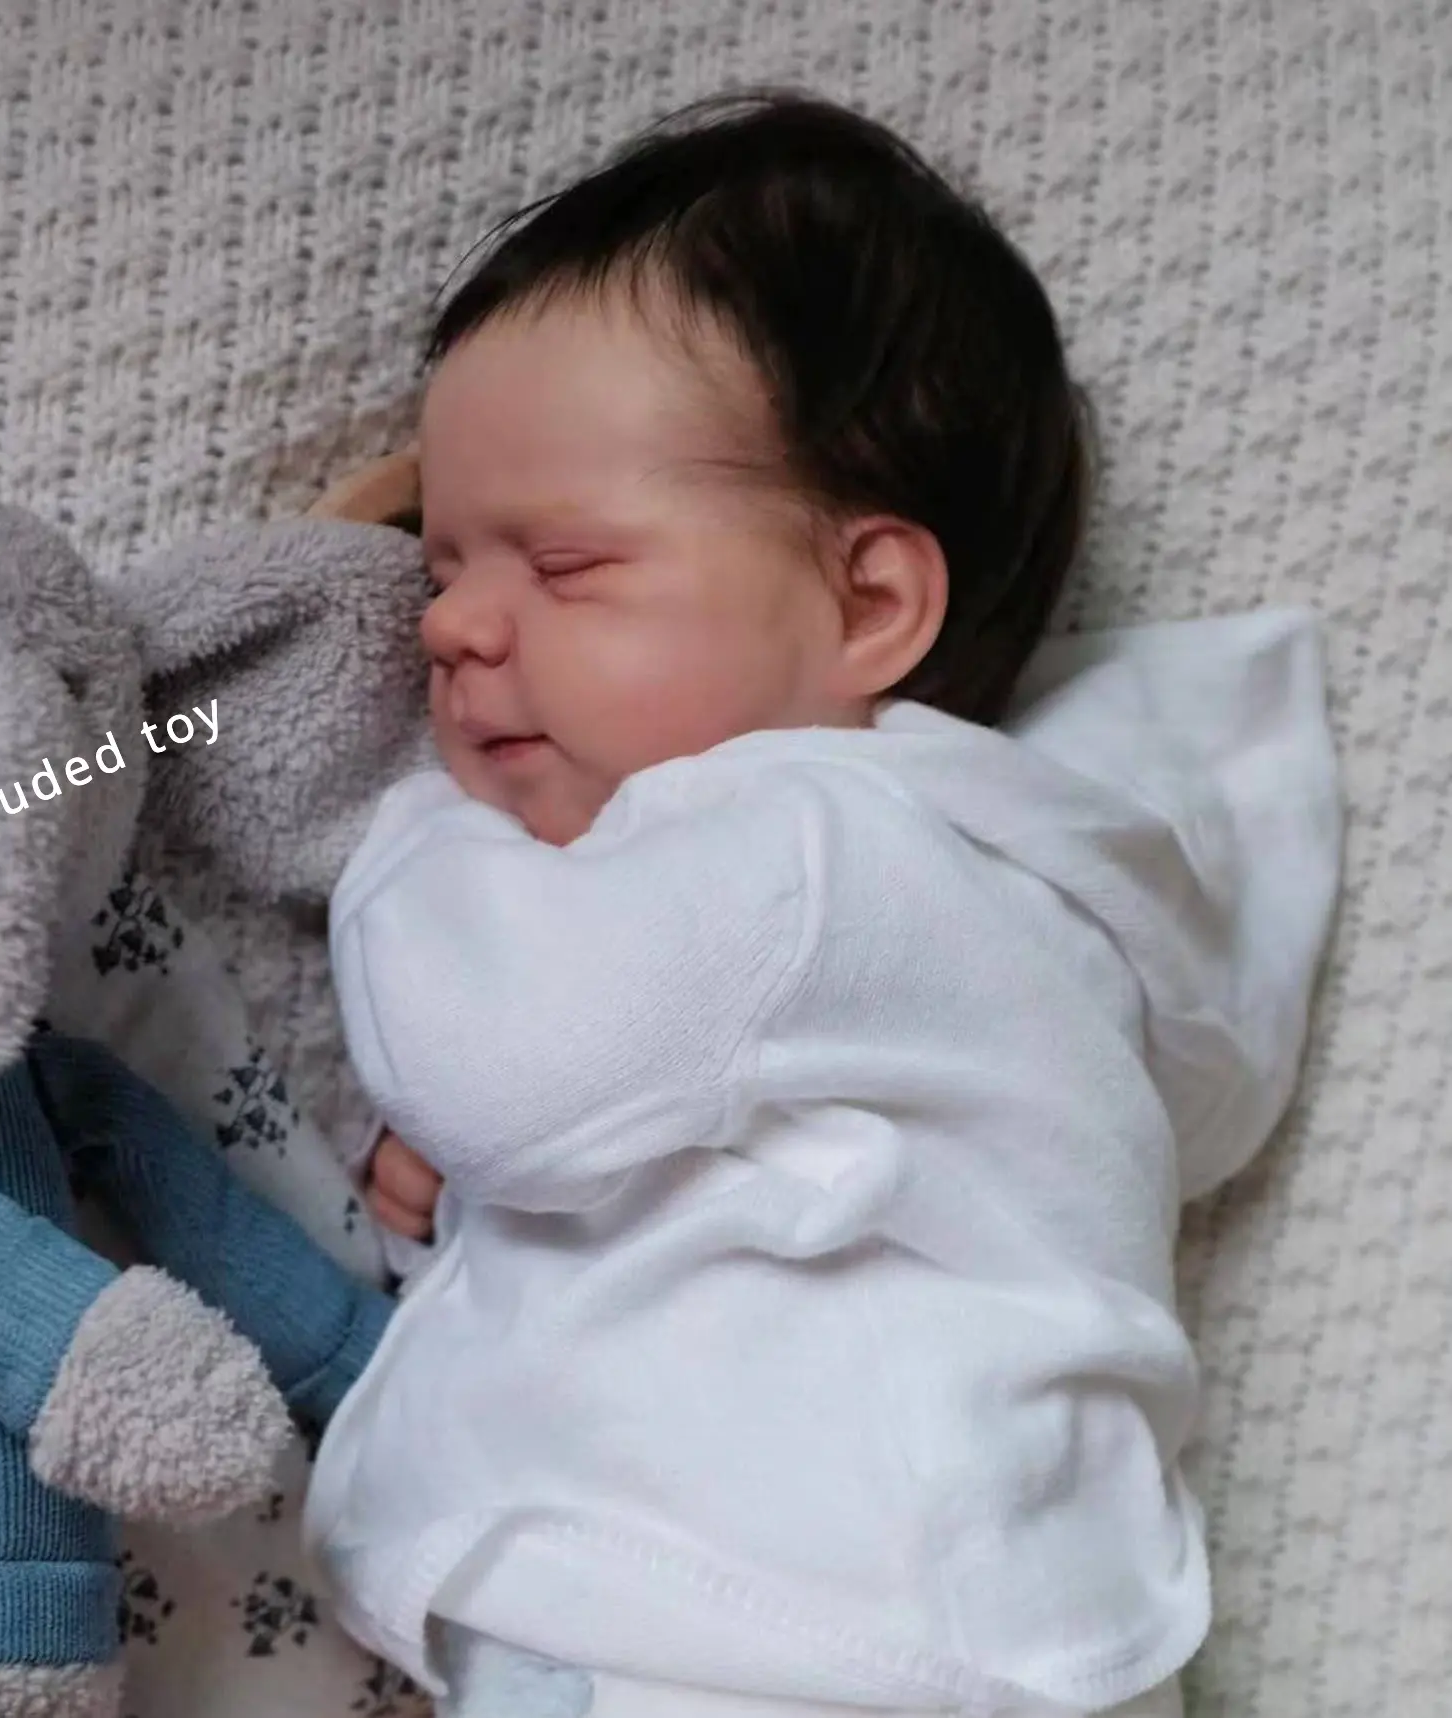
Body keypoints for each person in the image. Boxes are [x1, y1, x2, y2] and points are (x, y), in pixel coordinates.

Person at [306, 91, 1337, 1718]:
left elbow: (504, 1061)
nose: (448, 629)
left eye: (562, 567)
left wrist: (406, 827)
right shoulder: (1035, 898)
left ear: (866, 604)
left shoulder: (804, 836)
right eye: (438, 571)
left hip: (776, 1629)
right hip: (960, 1620)